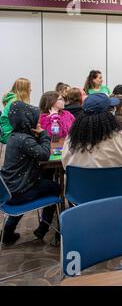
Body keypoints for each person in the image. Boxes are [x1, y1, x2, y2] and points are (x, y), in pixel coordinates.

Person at [0, 101, 60, 244]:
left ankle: (8, 231)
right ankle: (44, 227)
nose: (38, 121)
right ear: (27, 119)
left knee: (42, 184)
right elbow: (44, 154)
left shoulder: (14, 137)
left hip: (9, 191)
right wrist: (44, 134)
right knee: (56, 188)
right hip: (20, 191)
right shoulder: (25, 140)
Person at [61, 94, 122, 182]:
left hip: (79, 193)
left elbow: (65, 164)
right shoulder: (120, 136)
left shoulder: (72, 138)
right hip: (114, 192)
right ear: (108, 113)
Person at [0, 78, 32, 144]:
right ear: (23, 89)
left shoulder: (14, 100)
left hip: (9, 134)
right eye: (29, 87)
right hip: (9, 136)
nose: (31, 89)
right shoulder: (15, 102)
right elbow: (22, 123)